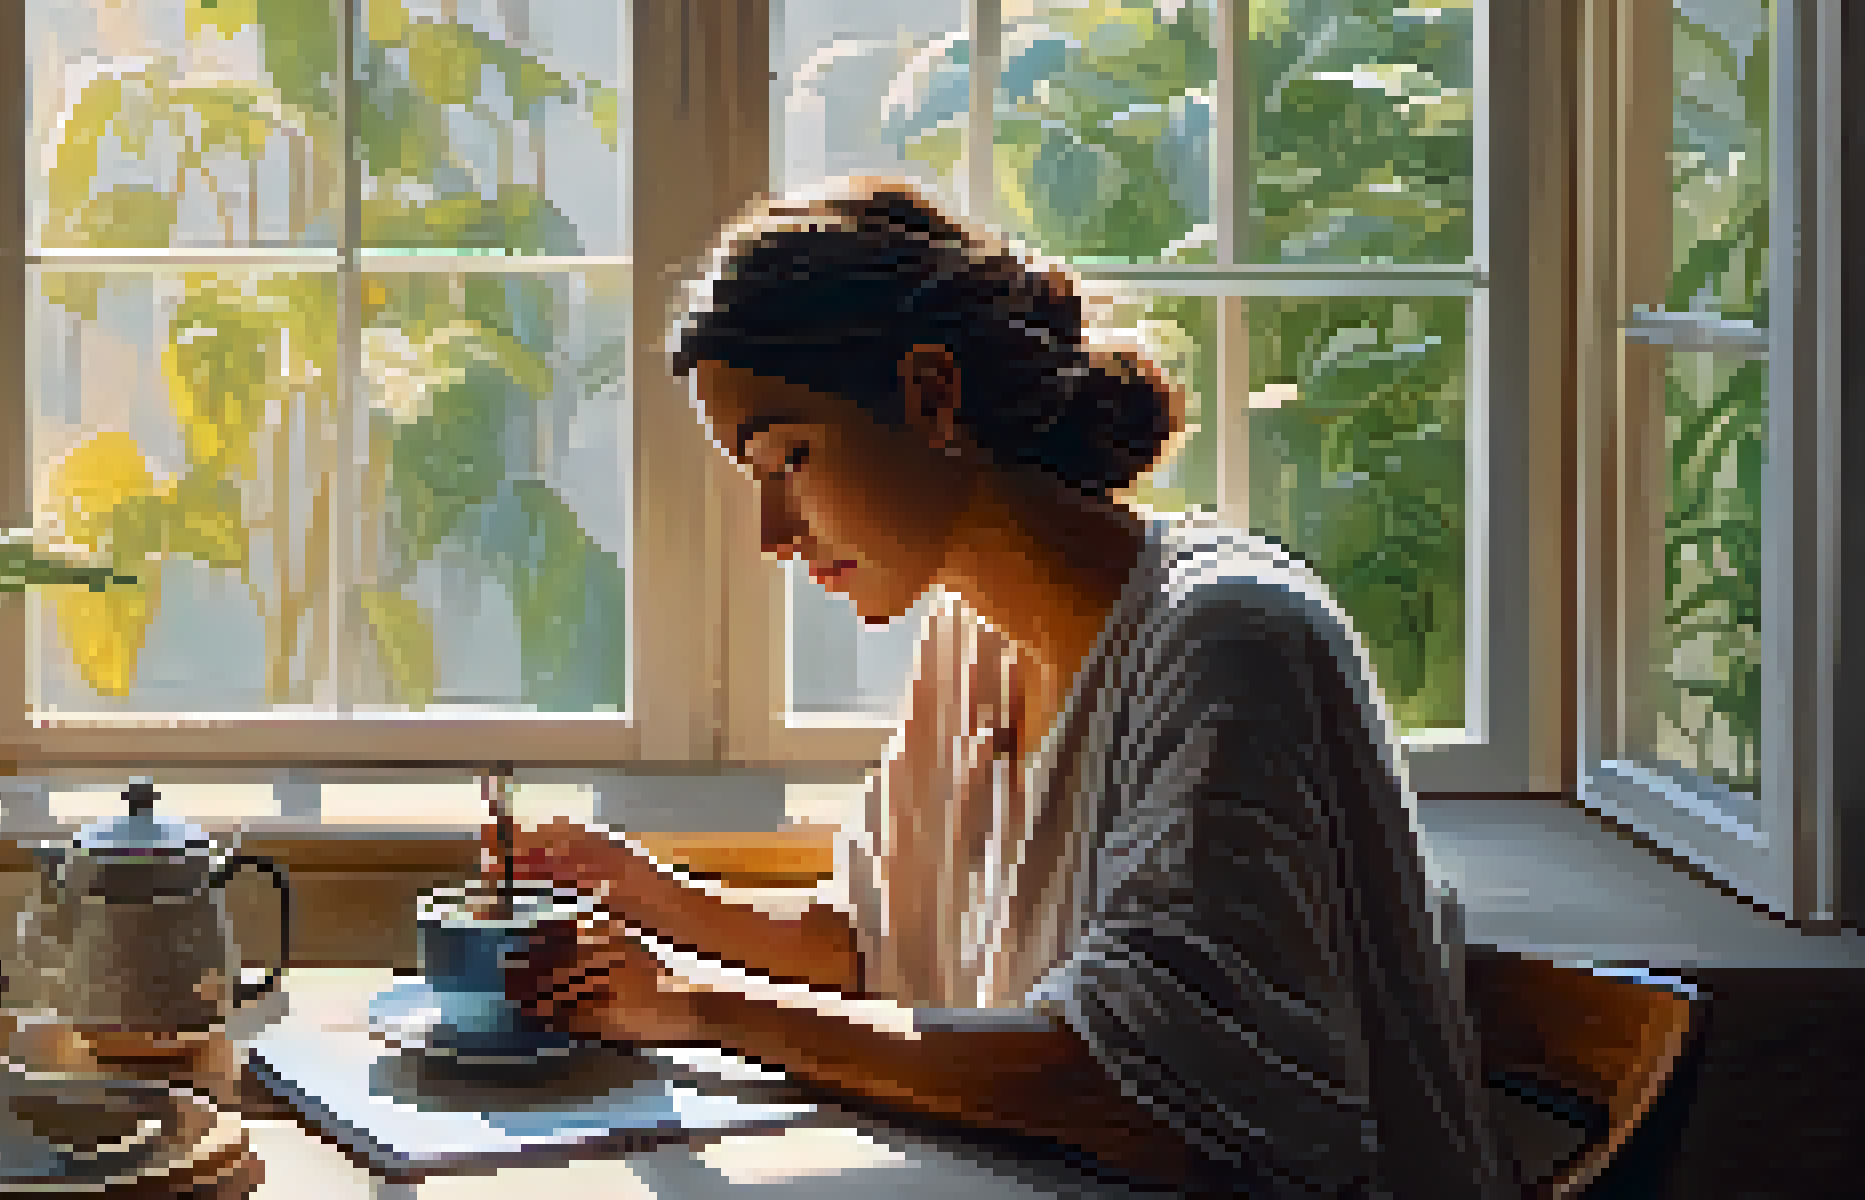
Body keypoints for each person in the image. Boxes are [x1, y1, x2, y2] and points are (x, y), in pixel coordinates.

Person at [500, 175, 1512, 1199]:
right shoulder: (969, 638)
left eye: (789, 459)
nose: (772, 534)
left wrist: (702, 1005)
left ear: (932, 396)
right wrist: (635, 888)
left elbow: (1130, 1087)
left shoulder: (1226, 642)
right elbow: (868, 949)